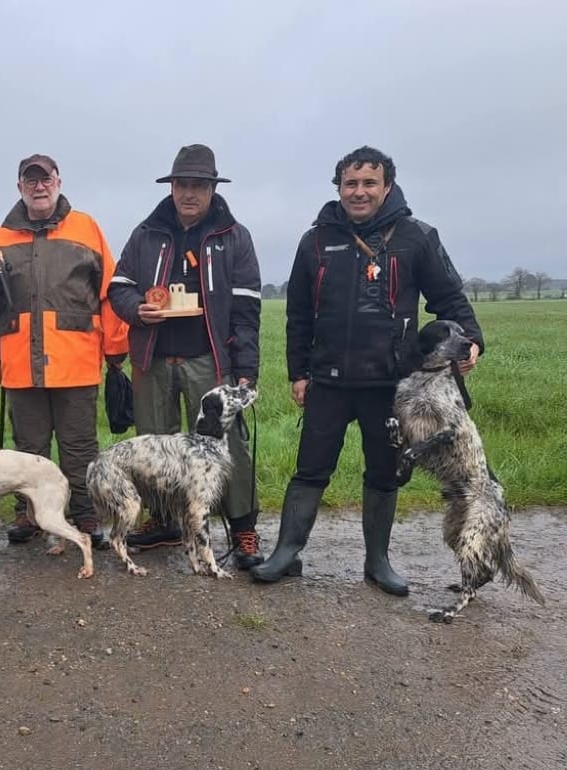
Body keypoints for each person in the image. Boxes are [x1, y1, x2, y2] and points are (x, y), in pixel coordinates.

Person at [251, 145, 484, 595]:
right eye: (350, 184)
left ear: (387, 186)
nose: (359, 192)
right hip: (328, 381)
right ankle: (286, 551)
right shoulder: (314, 241)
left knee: (384, 471)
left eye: (368, 183)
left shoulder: (417, 237)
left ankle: (378, 561)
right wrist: (298, 373)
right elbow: (298, 314)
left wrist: (472, 341)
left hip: (392, 386)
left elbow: (450, 300)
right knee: (310, 469)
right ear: (339, 188)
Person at [107, 144, 264, 569]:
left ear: (212, 188)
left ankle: (243, 527)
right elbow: (118, 286)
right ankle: (163, 521)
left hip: (209, 360)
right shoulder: (146, 233)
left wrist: (245, 369)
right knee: (156, 447)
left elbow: (247, 310)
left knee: (229, 446)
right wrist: (136, 308)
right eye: (182, 184)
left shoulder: (234, 236)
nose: (189, 193)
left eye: (198, 185)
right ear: (171, 186)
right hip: (154, 359)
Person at [0, 154, 129, 549]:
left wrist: (115, 351)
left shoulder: (87, 228)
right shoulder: (1, 237)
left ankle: (86, 514)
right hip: (20, 363)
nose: (39, 187)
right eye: (30, 182)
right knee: (27, 449)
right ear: (19, 188)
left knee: (79, 446)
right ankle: (30, 515)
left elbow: (108, 293)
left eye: (45, 180)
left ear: (58, 181)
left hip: (75, 361)